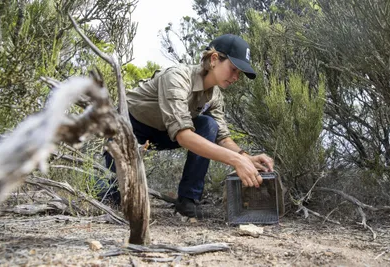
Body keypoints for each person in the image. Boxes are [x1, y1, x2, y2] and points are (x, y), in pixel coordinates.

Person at [105, 34, 274, 218]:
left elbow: (223, 138)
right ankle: (109, 189)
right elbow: (183, 136)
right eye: (233, 69)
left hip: (164, 133)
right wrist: (235, 161)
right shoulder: (176, 77)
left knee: (208, 125)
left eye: (239, 73)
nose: (235, 77)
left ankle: (188, 200)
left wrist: (247, 158)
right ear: (214, 59)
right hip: (128, 128)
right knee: (113, 200)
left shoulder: (215, 96)